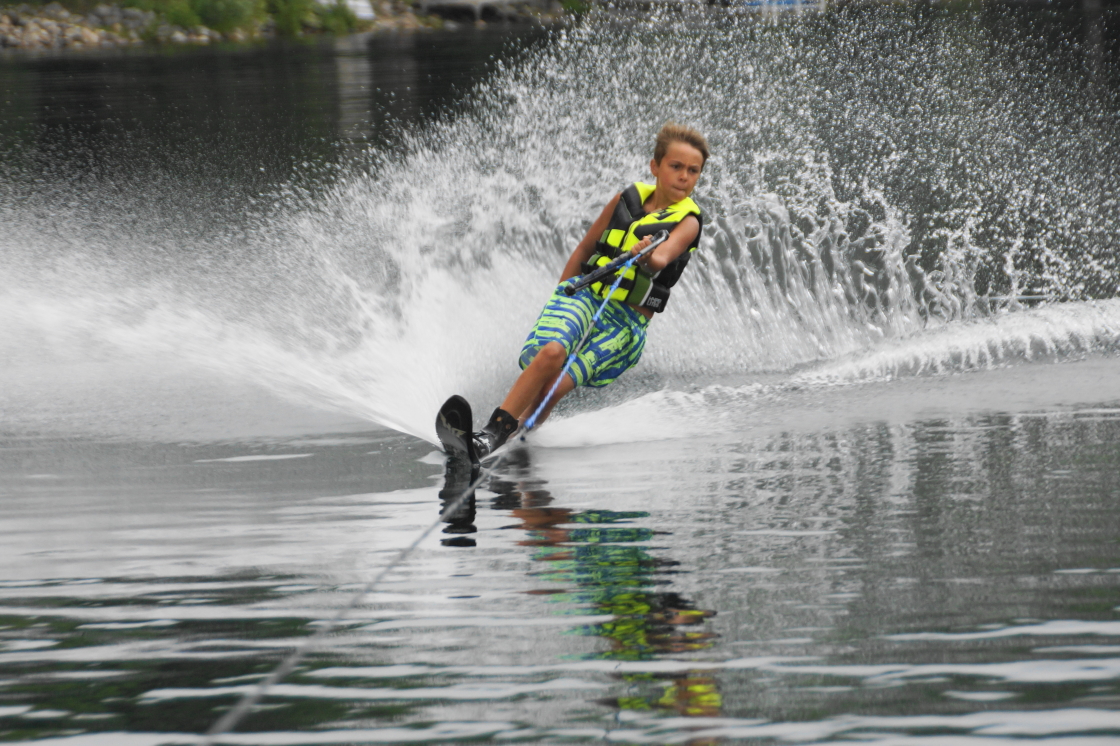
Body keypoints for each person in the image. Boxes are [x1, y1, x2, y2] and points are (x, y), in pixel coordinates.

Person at [471, 122, 709, 458]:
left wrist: (645, 255)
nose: (684, 176)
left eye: (693, 170)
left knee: (557, 384)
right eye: (676, 166)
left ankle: (515, 438)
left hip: (625, 323)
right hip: (584, 294)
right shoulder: (624, 200)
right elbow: (584, 251)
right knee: (552, 352)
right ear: (655, 167)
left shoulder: (688, 221)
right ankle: (490, 435)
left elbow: (660, 260)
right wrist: (560, 297)